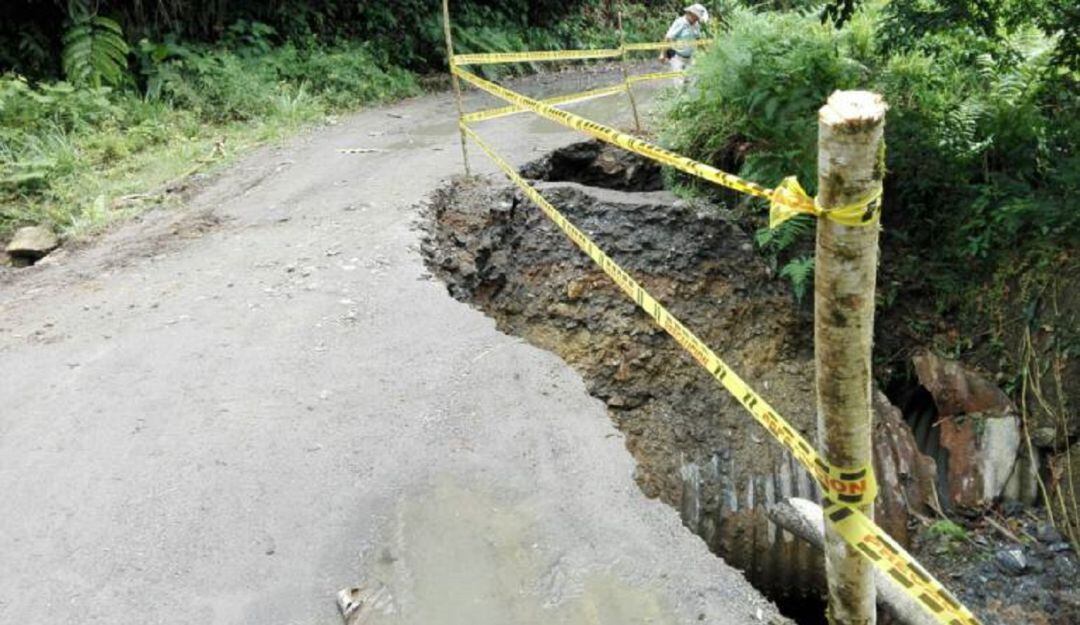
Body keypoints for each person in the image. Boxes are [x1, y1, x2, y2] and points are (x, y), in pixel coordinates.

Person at [660, 4, 709, 77]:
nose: (697, 20)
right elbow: (668, 38)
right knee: (679, 82)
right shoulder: (680, 22)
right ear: (690, 13)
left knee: (691, 81)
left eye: (698, 18)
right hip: (677, 57)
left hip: (690, 57)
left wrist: (705, 51)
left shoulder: (696, 25)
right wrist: (663, 54)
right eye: (696, 17)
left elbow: (698, 39)